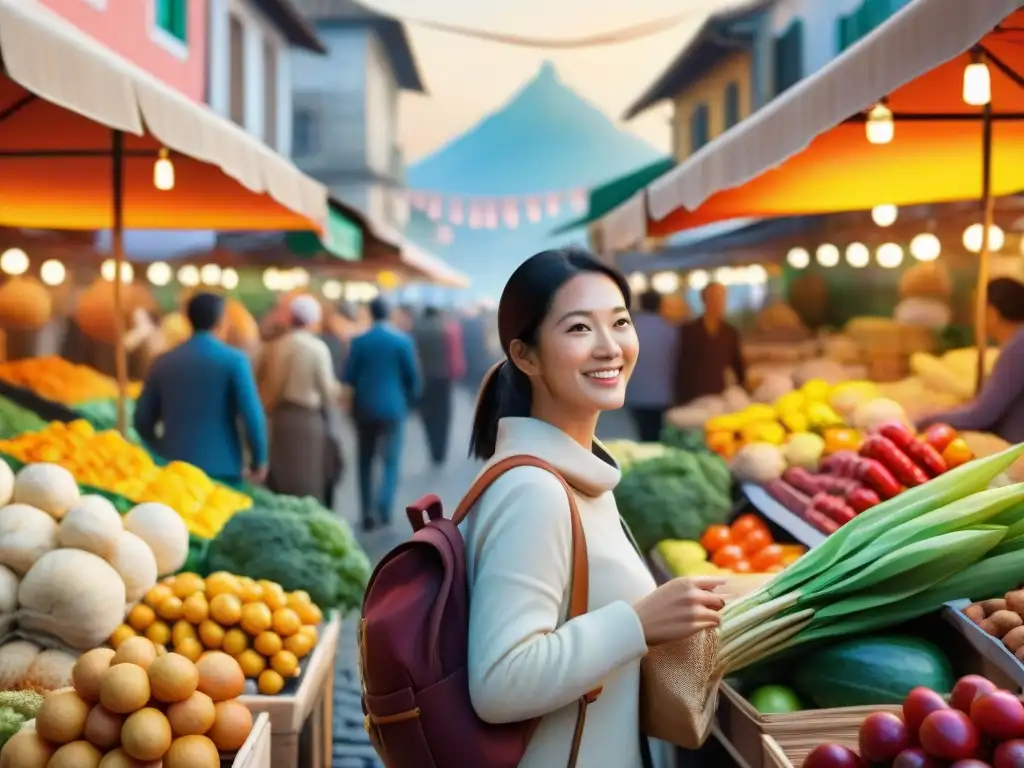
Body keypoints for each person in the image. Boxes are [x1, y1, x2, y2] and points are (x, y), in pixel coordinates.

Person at [463, 246, 725, 768]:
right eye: (579, 329)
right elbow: (498, 684)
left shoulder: (578, 477)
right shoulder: (534, 493)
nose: (610, 347)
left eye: (620, 322)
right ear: (526, 356)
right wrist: (637, 623)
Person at [134, 292, 267, 485]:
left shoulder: (163, 362)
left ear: (188, 319)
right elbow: (252, 415)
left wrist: (160, 448)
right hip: (223, 468)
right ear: (221, 321)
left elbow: (142, 419)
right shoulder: (234, 361)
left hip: (174, 467)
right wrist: (259, 460)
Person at [254, 295, 345, 505]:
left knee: (281, 480)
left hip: (277, 420)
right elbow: (327, 390)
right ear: (313, 320)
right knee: (308, 482)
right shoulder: (317, 348)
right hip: (308, 423)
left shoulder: (273, 347)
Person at [345, 296, 422, 531]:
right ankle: (384, 508)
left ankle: (366, 511)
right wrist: (409, 401)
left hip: (365, 408)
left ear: (369, 312)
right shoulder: (402, 341)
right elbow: (413, 379)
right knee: (391, 460)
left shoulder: (359, 341)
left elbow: (348, 375)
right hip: (393, 408)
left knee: (365, 461)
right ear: (389, 313)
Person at [918, 277, 1024, 442]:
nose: (972, 314)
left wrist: (922, 421)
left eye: (976, 307)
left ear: (991, 312)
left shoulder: (1019, 345)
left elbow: (980, 416)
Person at [674, 281, 746, 405]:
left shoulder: (730, 333)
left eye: (720, 297)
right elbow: (680, 365)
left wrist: (743, 387)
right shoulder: (688, 331)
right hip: (691, 395)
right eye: (712, 297)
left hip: (718, 395)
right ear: (703, 299)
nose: (716, 302)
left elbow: (737, 363)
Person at [625, 290, 680, 441]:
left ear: (641, 304)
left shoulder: (630, 329)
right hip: (664, 394)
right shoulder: (670, 330)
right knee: (659, 434)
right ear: (660, 304)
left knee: (643, 433)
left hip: (635, 394)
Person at [412, 306, 462, 467]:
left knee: (428, 416)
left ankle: (433, 449)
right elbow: (453, 354)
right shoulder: (445, 330)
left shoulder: (416, 332)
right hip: (443, 377)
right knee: (444, 416)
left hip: (424, 379)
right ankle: (441, 451)